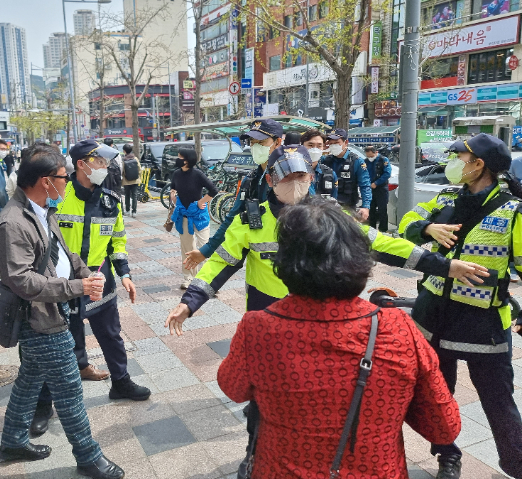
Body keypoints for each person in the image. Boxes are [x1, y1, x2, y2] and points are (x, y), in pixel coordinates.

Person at [166, 145, 488, 479]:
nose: (295, 183)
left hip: (334, 318)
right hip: (275, 322)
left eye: (301, 175)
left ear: (312, 176)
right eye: (287, 176)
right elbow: (221, 262)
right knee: (263, 406)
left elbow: (385, 243)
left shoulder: (331, 218)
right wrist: (191, 300)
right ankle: (253, 452)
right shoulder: (253, 219)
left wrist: (443, 265)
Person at [217, 199, 462, 479]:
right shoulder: (397, 328)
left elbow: (233, 388)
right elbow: (444, 426)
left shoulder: (258, 328)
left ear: (284, 261)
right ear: (358, 258)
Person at [0, 148, 124, 479]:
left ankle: (12, 441)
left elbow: (63, 254)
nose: (67, 183)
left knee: (29, 381)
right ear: (45, 181)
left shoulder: (43, 210)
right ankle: (88, 457)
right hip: (38, 319)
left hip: (53, 309)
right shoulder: (12, 222)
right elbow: (22, 280)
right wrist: (77, 288)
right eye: (63, 177)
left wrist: (85, 275)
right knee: (69, 391)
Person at [399, 133, 522, 479]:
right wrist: (427, 229)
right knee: (439, 397)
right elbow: (408, 222)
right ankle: (447, 456)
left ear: (478, 164)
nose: (452, 162)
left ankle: (516, 463)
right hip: (433, 317)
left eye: (459, 156)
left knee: (498, 401)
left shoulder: (514, 211)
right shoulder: (446, 196)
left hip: (483, 324)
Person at [57, 140, 149, 400]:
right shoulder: (58, 199)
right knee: (63, 339)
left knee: (111, 334)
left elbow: (117, 240)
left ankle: (121, 382)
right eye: (99, 161)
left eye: (106, 162)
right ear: (81, 165)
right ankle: (51, 398)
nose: (104, 167)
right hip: (65, 283)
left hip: (100, 281)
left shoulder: (111, 201)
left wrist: (125, 274)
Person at [182, 119, 283, 272]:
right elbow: (231, 218)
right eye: (252, 142)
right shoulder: (251, 180)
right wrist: (206, 250)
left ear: (277, 142)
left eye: (261, 142)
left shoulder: (291, 177)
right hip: (258, 265)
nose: (255, 147)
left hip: (288, 263)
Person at [170, 147, 218, 289]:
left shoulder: (197, 174)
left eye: (180, 157)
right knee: (187, 248)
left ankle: (206, 279)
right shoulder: (176, 174)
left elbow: (213, 190)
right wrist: (173, 195)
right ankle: (188, 277)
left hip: (199, 216)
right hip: (183, 215)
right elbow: (173, 188)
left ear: (187, 160)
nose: (177, 159)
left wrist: (201, 202)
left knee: (205, 247)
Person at [322, 128, 372, 220]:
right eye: (331, 143)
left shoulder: (356, 161)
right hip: (327, 208)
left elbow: (365, 185)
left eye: (336, 143)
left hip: (347, 207)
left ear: (346, 143)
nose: (333, 146)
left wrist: (366, 207)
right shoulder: (325, 160)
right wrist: (321, 148)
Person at [300, 129, 337, 198]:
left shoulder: (329, 173)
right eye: (310, 145)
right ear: (301, 146)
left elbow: (333, 201)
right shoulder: (292, 172)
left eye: (319, 146)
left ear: (323, 148)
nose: (315, 149)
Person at [364, 144, 392, 232]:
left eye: (371, 156)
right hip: (370, 188)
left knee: (382, 209)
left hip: (381, 188)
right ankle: (372, 229)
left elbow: (387, 173)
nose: (370, 158)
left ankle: (383, 229)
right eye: (368, 156)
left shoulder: (383, 160)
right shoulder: (365, 161)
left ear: (376, 152)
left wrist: (376, 183)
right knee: (371, 210)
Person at [121, 143, 142, 218]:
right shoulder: (135, 158)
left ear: (124, 151)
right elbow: (139, 169)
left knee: (127, 195)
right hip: (135, 180)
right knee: (134, 195)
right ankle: (134, 212)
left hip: (126, 181)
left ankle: (127, 210)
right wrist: (139, 178)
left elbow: (122, 170)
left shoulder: (123, 159)